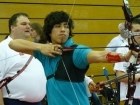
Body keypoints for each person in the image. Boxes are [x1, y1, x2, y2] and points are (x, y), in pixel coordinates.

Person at [9, 11, 137, 105]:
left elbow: (100, 55)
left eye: (66, 26)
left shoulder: (77, 52)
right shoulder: (44, 53)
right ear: (49, 31)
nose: (63, 30)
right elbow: (13, 44)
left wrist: (124, 57)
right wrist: (41, 48)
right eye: (58, 26)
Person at [0, 13, 46, 105]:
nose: (28, 26)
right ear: (13, 27)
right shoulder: (2, 48)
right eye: (24, 24)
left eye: (29, 24)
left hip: (39, 102)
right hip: (13, 102)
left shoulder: (32, 47)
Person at [114, 17, 140, 105]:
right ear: (130, 33)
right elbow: (120, 76)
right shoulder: (123, 49)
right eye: (137, 31)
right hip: (132, 98)